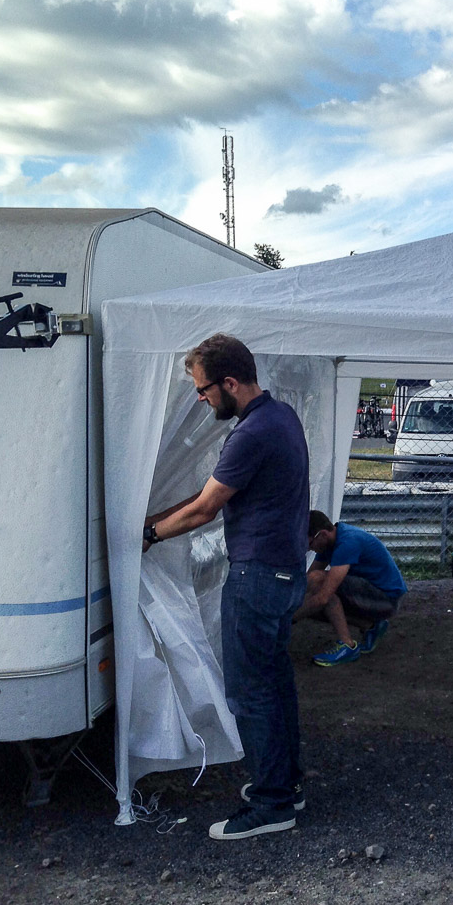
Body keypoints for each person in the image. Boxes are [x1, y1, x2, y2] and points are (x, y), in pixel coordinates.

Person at [142, 334, 311, 840]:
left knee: (250, 692)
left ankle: (272, 804)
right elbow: (215, 489)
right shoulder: (279, 417)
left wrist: (148, 534)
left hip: (256, 576)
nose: (201, 398)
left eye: (202, 390)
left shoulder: (251, 433)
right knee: (275, 684)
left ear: (230, 382)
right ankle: (286, 783)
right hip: (283, 573)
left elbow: (204, 509)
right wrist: (159, 515)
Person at [296, 511, 407, 666]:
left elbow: (322, 596)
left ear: (322, 535)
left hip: (387, 599)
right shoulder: (328, 543)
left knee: (320, 589)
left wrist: (287, 618)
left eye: (310, 544)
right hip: (370, 593)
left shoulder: (348, 542)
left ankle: (347, 645)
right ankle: (371, 626)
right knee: (313, 596)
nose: (310, 549)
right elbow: (305, 584)